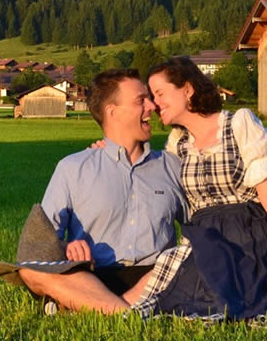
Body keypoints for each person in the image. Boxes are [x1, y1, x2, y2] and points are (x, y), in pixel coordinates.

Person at [131, 56, 267, 321]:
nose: (154, 104)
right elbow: (150, 177)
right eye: (152, 96)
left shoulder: (239, 125)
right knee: (172, 297)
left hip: (250, 238)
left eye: (160, 93)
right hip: (204, 240)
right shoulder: (178, 143)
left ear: (187, 89)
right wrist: (107, 150)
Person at [15, 69, 186, 314]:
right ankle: (125, 311)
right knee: (29, 270)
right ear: (112, 111)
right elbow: (42, 242)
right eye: (141, 100)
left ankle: (96, 309)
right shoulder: (73, 168)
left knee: (193, 259)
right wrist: (66, 248)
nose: (152, 106)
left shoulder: (171, 166)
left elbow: (199, 229)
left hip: (154, 276)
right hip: (90, 276)